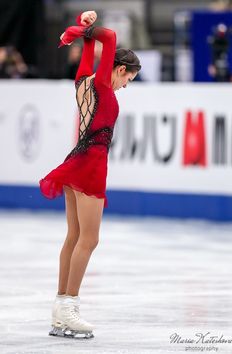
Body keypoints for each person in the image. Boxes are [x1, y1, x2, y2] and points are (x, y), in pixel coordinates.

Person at [39, 10, 141, 339]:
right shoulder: (100, 84)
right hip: (92, 165)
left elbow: (90, 45)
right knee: (89, 239)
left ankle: (60, 308)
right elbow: (108, 39)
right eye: (128, 78)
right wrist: (85, 28)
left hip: (76, 162)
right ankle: (69, 306)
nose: (126, 85)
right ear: (120, 69)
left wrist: (81, 30)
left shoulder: (83, 80)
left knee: (73, 237)